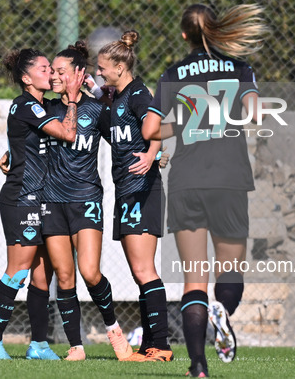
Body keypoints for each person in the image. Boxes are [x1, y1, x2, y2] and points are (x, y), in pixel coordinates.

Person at [142, 4, 268, 377]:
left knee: (193, 278)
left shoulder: (173, 73)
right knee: (230, 270)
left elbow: (151, 130)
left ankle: (197, 367)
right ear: (215, 30)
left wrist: (185, 120)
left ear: (184, 35)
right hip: (229, 180)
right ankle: (223, 311)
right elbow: (256, 114)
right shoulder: (240, 69)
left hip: (187, 181)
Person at [0, 48, 84, 360]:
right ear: (26, 78)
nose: (49, 73)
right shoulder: (26, 105)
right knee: (18, 269)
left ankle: (38, 344)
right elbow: (67, 132)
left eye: (50, 68)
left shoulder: (42, 105)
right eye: (43, 69)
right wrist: (74, 100)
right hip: (21, 198)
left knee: (42, 275)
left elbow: (22, 144)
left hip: (41, 199)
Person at [40, 42, 133, 361]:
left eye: (60, 71)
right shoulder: (48, 108)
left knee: (90, 272)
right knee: (64, 277)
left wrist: (152, 153)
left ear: (79, 75)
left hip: (86, 199)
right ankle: (76, 347)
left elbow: (123, 139)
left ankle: (115, 333)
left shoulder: (96, 110)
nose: (53, 75)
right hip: (52, 200)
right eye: (51, 70)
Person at [94, 30, 173, 362]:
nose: (99, 73)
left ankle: (163, 345)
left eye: (102, 68)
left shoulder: (139, 93)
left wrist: (153, 153)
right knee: (139, 271)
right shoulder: (116, 99)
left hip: (143, 190)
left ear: (119, 67)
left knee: (144, 270)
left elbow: (160, 126)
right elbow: (122, 138)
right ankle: (150, 344)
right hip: (127, 191)